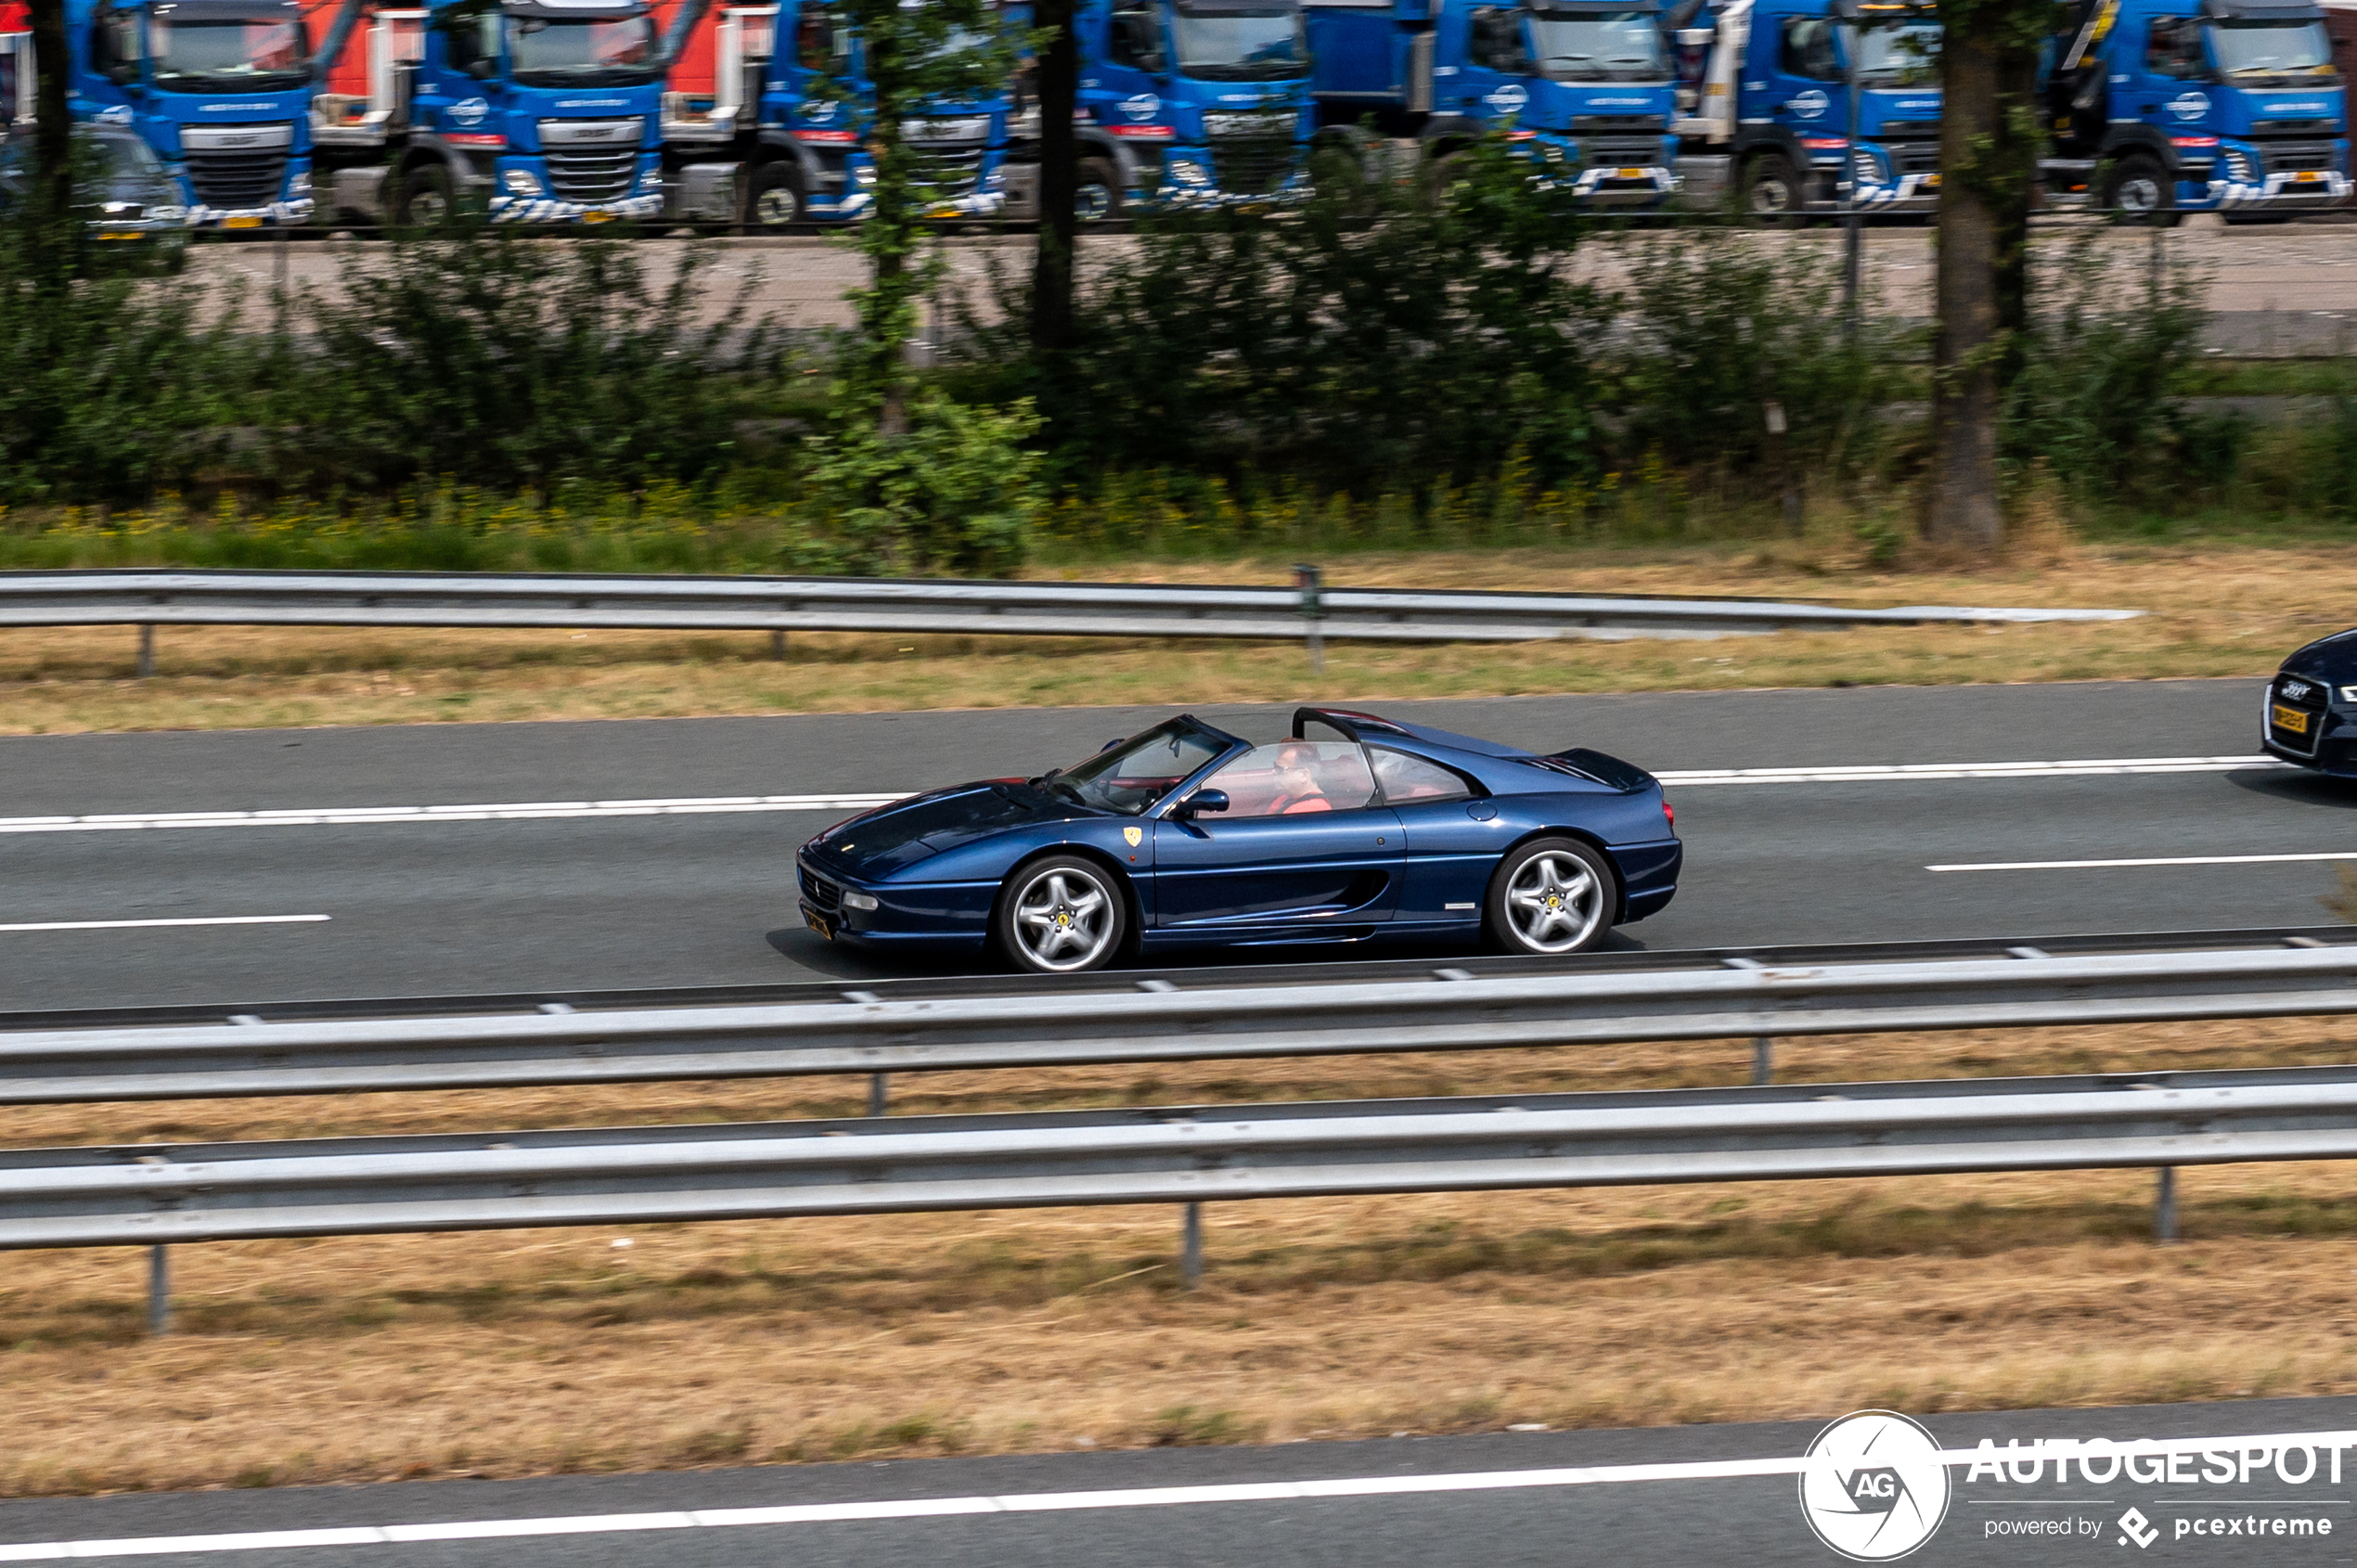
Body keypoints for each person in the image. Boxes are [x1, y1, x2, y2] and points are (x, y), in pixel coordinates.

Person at [1268, 742, 1333, 815]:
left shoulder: (1308, 810)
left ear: (1303, 775)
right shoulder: (1286, 798)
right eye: (1275, 766)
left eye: (1280, 769)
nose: (1273, 772)